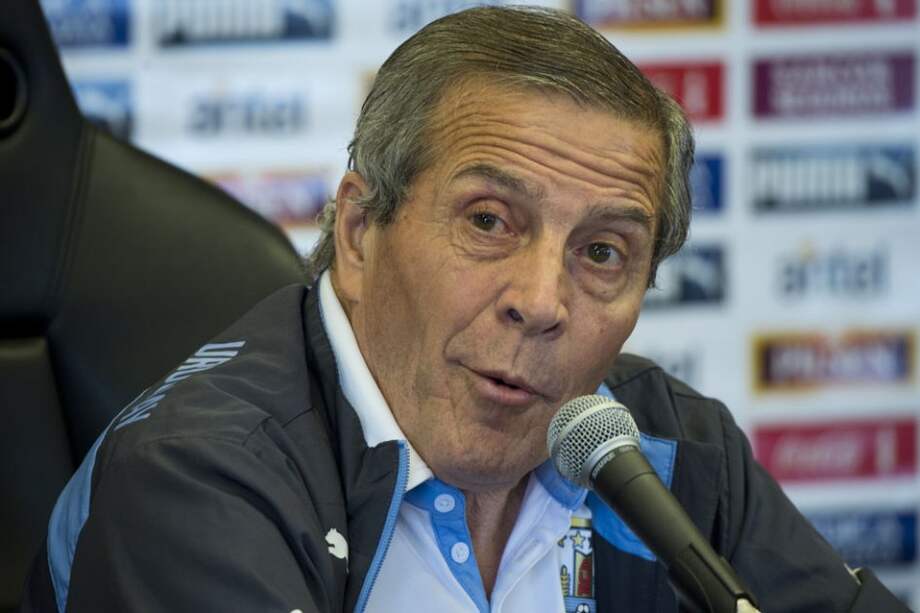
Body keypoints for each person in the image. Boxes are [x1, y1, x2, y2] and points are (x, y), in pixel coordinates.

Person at [21, 6, 908, 613]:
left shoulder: (666, 450)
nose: (541, 301)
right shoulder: (193, 478)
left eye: (602, 252)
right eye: (489, 222)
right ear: (363, 231)